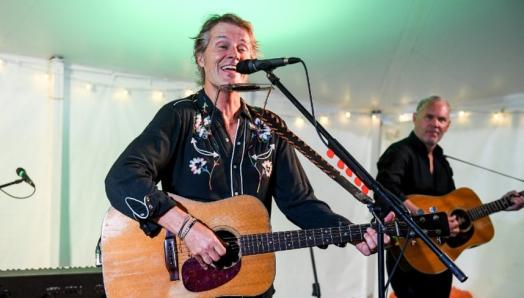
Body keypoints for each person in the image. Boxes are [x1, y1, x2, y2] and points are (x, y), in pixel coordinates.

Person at [105, 13, 392, 298]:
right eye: (222, 45)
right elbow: (123, 178)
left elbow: (300, 202)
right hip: (190, 286)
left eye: (243, 48)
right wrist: (188, 228)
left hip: (250, 283)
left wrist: (350, 232)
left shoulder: (268, 127)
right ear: (200, 57)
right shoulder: (180, 115)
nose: (233, 54)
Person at [375, 95, 524, 298]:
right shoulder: (400, 152)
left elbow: (454, 205)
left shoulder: (442, 162)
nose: (435, 124)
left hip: (441, 259)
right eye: (429, 117)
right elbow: (385, 188)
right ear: (414, 118)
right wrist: (424, 217)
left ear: (448, 125)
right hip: (410, 254)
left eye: (442, 119)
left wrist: (502, 203)